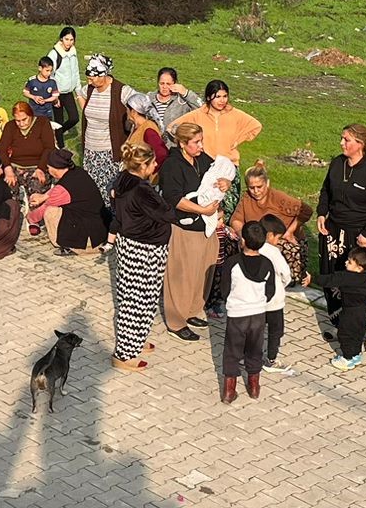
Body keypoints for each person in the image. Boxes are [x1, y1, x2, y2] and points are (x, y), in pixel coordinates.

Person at [316, 124, 366, 352]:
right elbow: (326, 191)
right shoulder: (336, 164)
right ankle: (341, 322)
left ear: (360, 145)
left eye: (347, 140)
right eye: (341, 138)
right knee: (335, 276)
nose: (342, 143)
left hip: (365, 237)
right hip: (336, 231)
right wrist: (322, 213)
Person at [158, 120, 224, 342]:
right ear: (183, 143)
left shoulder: (201, 160)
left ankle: (192, 310)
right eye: (196, 142)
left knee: (202, 272)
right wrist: (202, 209)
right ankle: (176, 321)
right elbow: (173, 198)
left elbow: (217, 174)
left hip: (206, 226)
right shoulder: (172, 165)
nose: (201, 146)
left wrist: (223, 183)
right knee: (181, 276)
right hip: (185, 228)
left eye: (201, 141)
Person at [108, 144, 171, 372]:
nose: (156, 166)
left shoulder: (123, 179)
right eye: (152, 163)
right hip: (144, 248)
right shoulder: (142, 190)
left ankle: (137, 339)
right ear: (142, 165)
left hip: (130, 244)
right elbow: (165, 212)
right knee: (138, 300)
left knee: (136, 295)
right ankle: (124, 354)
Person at [214, 221, 281, 403]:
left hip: (237, 314)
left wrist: (232, 300)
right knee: (255, 349)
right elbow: (270, 290)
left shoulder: (232, 263)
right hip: (258, 314)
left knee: (232, 351)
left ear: (242, 240)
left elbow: (224, 289)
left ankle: (229, 390)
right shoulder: (267, 263)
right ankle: (254, 387)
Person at [229, 162, 311, 283]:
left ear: (267, 183)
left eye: (259, 187)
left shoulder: (278, 197)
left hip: (282, 239)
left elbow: (306, 210)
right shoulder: (246, 198)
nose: (256, 191)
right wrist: (244, 236)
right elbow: (235, 220)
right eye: (252, 188)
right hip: (259, 240)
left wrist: (290, 232)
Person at [78, 55, 139, 202]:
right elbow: (79, 93)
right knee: (92, 191)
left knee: (109, 192)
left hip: (110, 153)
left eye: (92, 78)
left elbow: (139, 103)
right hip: (91, 152)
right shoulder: (90, 89)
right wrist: (85, 108)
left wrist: (130, 121)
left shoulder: (121, 90)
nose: (89, 81)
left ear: (103, 75)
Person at [28, 148, 107, 254]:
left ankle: (68, 245)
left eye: (48, 167)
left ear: (55, 169)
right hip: (99, 227)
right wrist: (43, 196)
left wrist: (30, 218)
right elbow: (57, 190)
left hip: (88, 237)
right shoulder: (78, 172)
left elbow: (45, 207)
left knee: (50, 211)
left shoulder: (63, 188)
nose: (48, 170)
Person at [194, 80, 264, 175]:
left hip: (229, 165)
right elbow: (174, 128)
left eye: (225, 96)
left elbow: (256, 126)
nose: (222, 100)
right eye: (218, 97)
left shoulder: (235, 114)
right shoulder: (197, 115)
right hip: (204, 165)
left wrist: (237, 140)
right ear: (208, 97)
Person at [332, 246, 366, 368]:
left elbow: (330, 279)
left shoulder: (348, 277)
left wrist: (312, 279)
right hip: (361, 312)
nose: (346, 263)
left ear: (359, 268)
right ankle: (356, 355)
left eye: (349, 262)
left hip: (349, 313)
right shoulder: (365, 275)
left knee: (345, 334)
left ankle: (347, 359)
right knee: (357, 334)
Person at [0, 99, 59, 195]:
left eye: (24, 119)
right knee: (8, 190)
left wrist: (41, 168)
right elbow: (1, 150)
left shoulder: (42, 123)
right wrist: (8, 168)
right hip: (15, 166)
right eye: (18, 121)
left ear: (31, 115)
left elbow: (49, 148)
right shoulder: (10, 126)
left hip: (37, 165)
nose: (21, 124)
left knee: (36, 189)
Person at [258, 215, 294, 367]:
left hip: (256, 300)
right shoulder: (273, 252)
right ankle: (271, 359)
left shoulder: (253, 248)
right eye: (278, 238)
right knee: (275, 331)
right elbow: (285, 273)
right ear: (270, 235)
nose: (278, 242)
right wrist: (284, 284)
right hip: (274, 302)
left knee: (255, 331)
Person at [126, 67, 201, 136]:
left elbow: (201, 108)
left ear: (175, 83)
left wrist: (186, 93)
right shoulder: (149, 98)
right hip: (152, 144)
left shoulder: (182, 101)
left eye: (168, 84)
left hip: (174, 145)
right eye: (162, 83)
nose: (164, 87)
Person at [46, 27, 82, 137]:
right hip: (57, 92)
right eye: (67, 39)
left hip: (68, 92)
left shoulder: (73, 53)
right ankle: (59, 147)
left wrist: (79, 92)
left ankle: (57, 134)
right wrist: (54, 96)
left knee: (74, 118)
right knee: (58, 121)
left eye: (71, 40)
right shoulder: (54, 54)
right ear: (61, 38)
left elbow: (76, 73)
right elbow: (49, 75)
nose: (69, 43)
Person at [24, 55, 62, 131]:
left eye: (51, 71)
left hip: (47, 112)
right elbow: (25, 92)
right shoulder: (32, 80)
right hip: (33, 111)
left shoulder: (52, 81)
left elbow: (54, 96)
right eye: (47, 71)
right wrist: (34, 97)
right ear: (40, 68)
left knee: (46, 132)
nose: (49, 73)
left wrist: (45, 100)